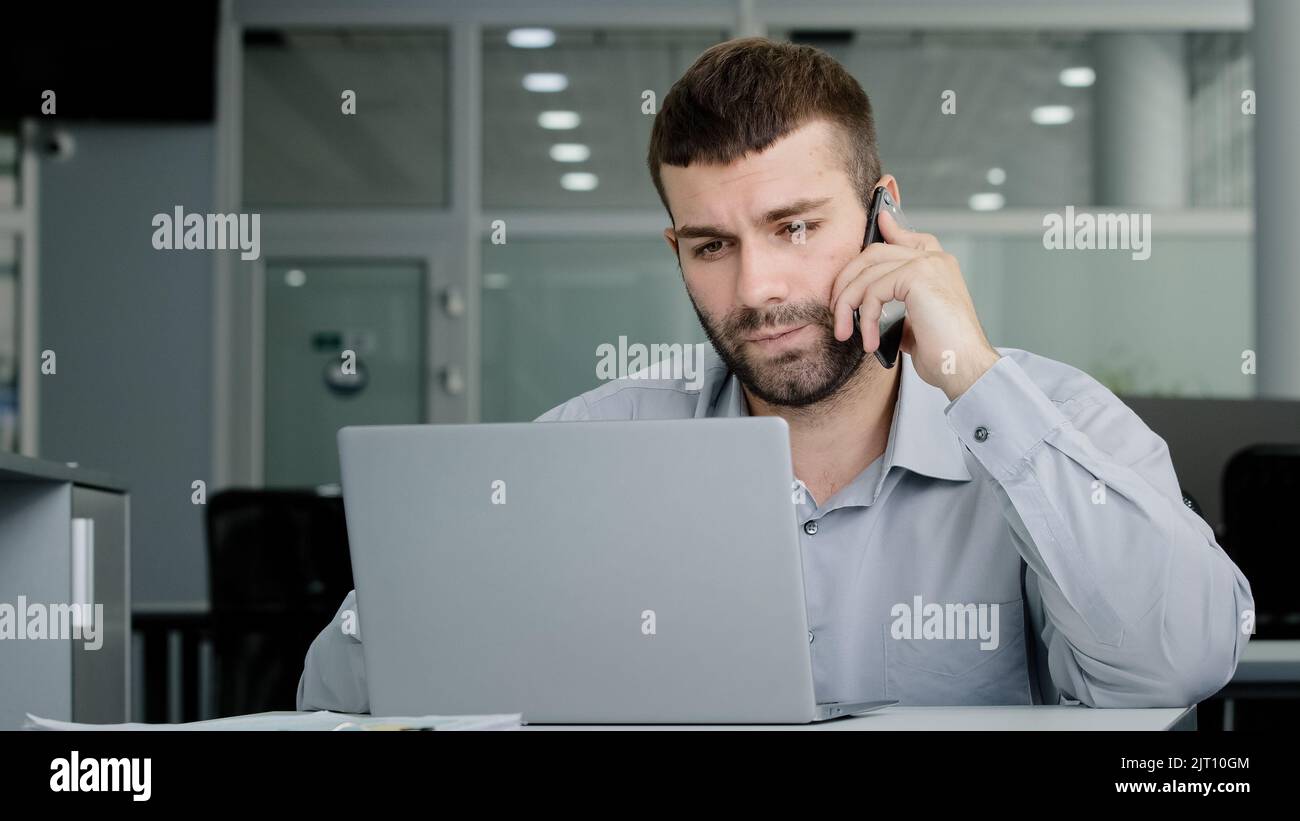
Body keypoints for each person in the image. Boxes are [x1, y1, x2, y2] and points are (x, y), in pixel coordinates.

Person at [298, 37, 1252, 714]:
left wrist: (972, 375)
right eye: (712, 245)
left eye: (795, 227)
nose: (756, 288)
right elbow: (335, 697)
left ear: (883, 216)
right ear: (676, 250)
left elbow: (1179, 663)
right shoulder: (589, 447)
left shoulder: (1054, 422)